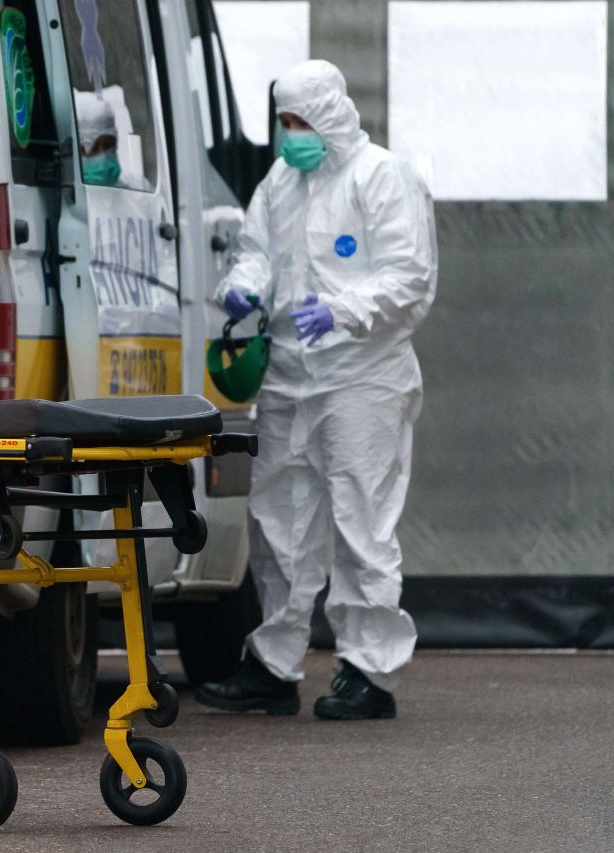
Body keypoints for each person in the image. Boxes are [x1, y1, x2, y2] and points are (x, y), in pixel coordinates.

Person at [194, 60, 436, 720]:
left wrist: (344, 309)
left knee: (362, 521)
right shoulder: (281, 181)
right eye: (283, 122)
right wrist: (244, 286)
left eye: (298, 122)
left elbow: (410, 278)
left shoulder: (381, 176)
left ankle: (368, 670)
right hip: (290, 379)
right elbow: (255, 250)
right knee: (280, 526)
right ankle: (273, 664)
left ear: (329, 115)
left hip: (364, 378)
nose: (288, 135)